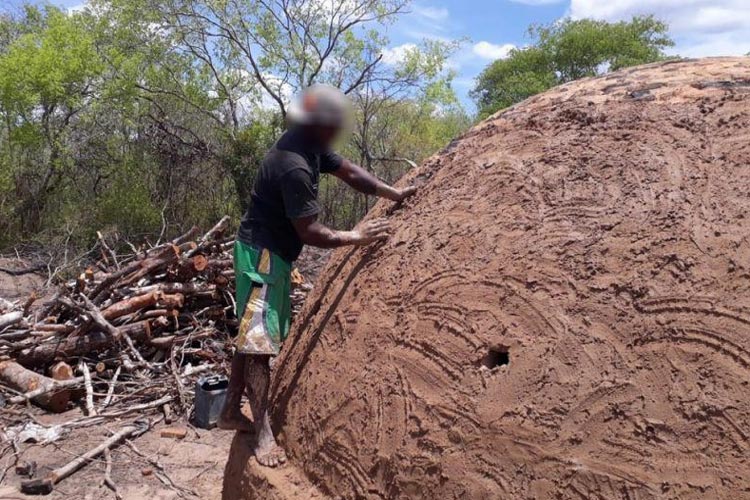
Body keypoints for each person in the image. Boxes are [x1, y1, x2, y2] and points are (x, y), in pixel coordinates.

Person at [218, 84, 418, 467]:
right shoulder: (293, 164)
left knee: (250, 335)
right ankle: (262, 435)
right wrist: (356, 237)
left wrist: (396, 194)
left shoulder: (309, 143)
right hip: (262, 258)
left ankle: (229, 410)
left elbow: (350, 172)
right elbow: (310, 233)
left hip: (266, 253)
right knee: (259, 344)